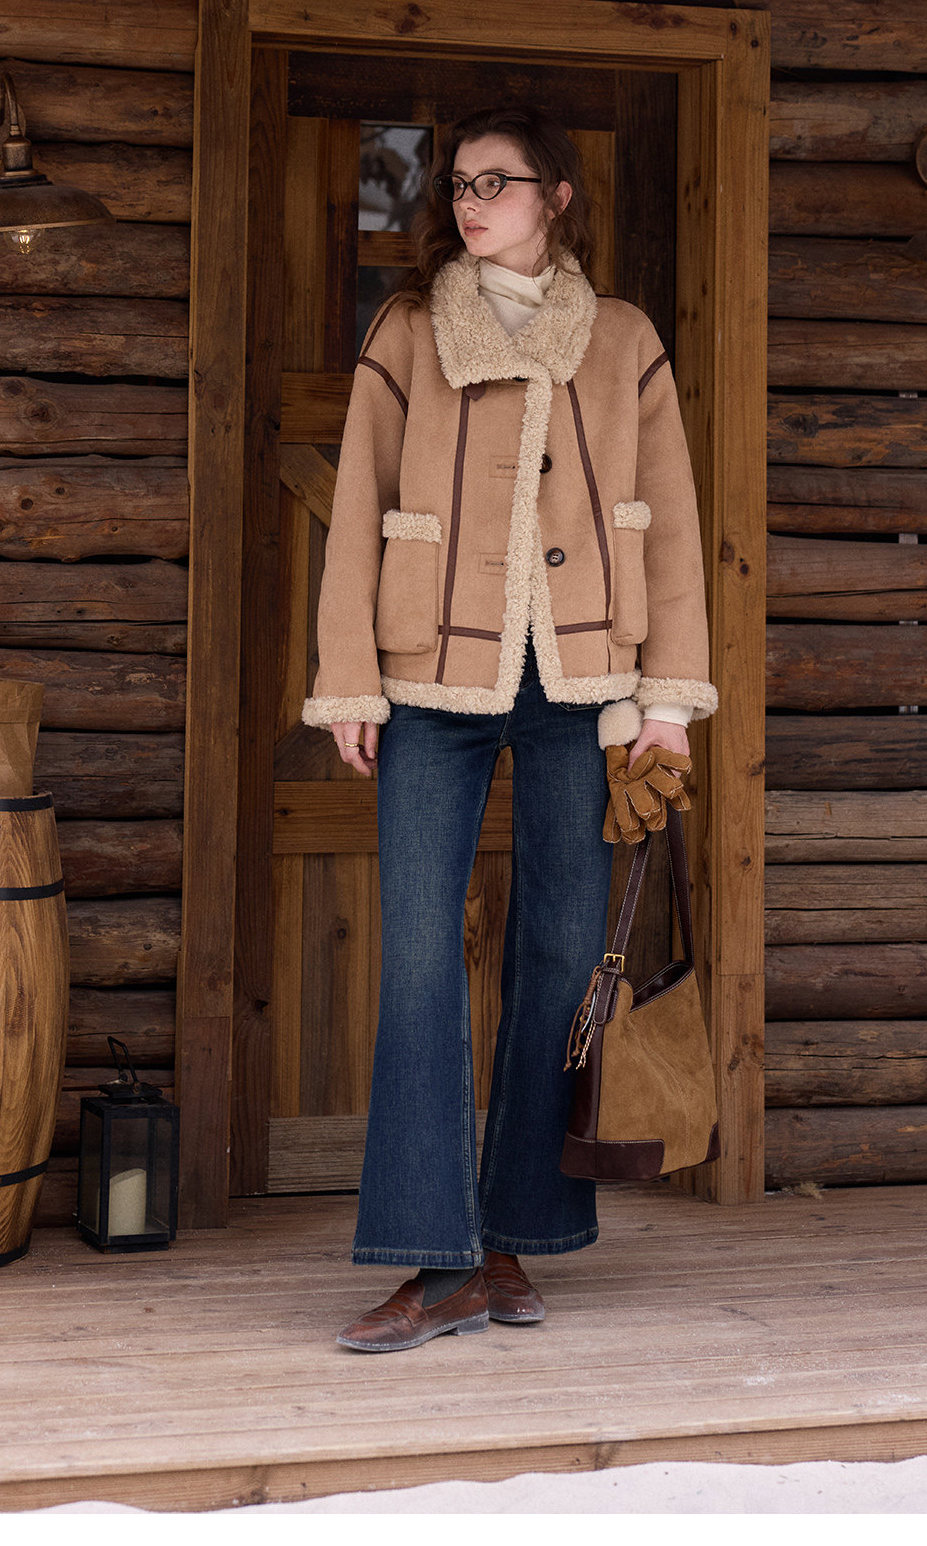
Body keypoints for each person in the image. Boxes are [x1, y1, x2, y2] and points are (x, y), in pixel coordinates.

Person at [301, 107, 717, 1352]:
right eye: (459, 184)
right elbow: (358, 499)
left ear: (559, 194)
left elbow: (672, 525)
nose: (472, 202)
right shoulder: (409, 328)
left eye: (499, 181)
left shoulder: (625, 339)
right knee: (421, 958)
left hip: (583, 684)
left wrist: (667, 702)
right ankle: (432, 1259)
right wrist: (349, 682)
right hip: (431, 676)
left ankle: (510, 1238)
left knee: (560, 955)